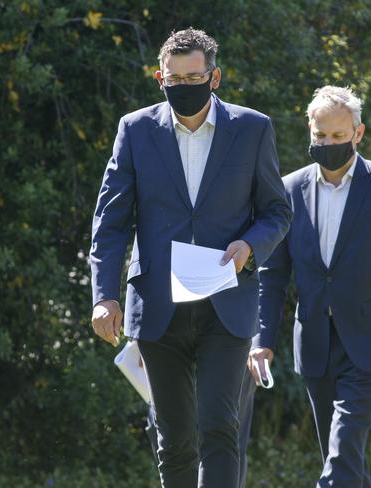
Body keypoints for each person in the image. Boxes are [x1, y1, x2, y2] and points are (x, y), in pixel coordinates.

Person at [90, 28, 291, 487]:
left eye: (193, 77)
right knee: (175, 437)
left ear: (214, 77)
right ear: (160, 77)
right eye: (173, 79)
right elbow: (111, 221)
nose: (183, 86)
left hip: (228, 301)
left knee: (221, 428)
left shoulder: (252, 128)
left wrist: (250, 247)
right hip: (159, 306)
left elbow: (277, 211)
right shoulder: (135, 129)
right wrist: (104, 296)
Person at [250, 85, 371, 487]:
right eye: (321, 136)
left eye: (339, 136)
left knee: (340, 454)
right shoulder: (288, 190)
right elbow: (273, 273)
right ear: (310, 130)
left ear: (358, 133)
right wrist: (262, 338)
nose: (329, 143)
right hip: (316, 343)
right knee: (347, 461)